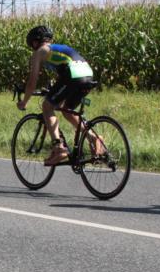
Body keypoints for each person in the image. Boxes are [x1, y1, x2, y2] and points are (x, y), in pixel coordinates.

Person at [16, 25, 102, 166]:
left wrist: (24, 101)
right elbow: (64, 69)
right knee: (67, 110)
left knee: (47, 106)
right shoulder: (59, 48)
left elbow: (32, 82)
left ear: (35, 42)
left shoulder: (40, 52)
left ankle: (58, 147)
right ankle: (94, 138)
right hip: (87, 74)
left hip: (73, 76)